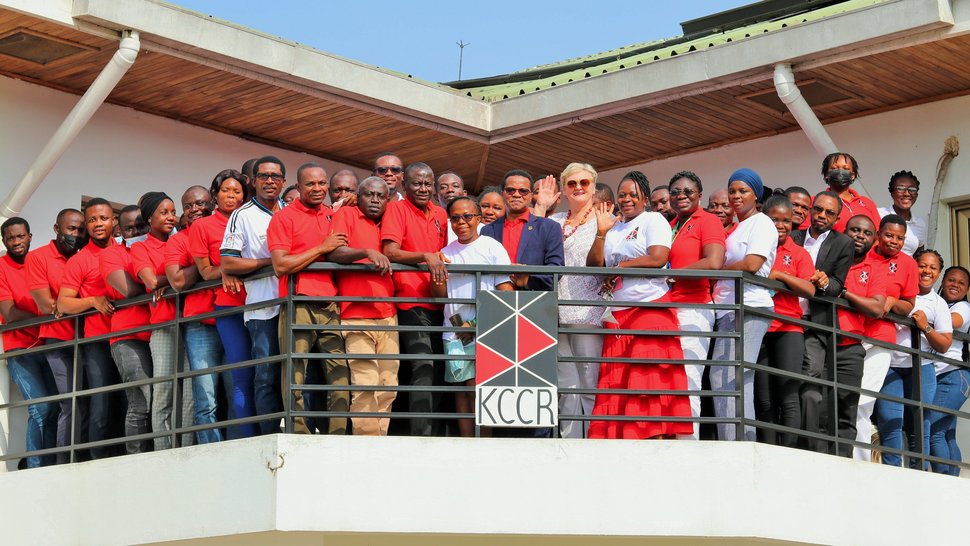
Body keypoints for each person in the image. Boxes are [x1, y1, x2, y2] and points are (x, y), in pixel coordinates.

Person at [585, 177, 691, 440]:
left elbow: (658, 258)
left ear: (645, 198)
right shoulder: (614, 227)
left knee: (649, 381)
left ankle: (655, 439)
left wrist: (620, 268)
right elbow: (594, 267)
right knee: (619, 382)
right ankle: (625, 440)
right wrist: (601, 232)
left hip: (650, 307)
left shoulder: (653, 220)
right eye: (622, 195)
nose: (626, 199)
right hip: (619, 313)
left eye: (633, 194)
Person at [268, 162, 350, 435]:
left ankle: (337, 433)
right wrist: (322, 247)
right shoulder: (283, 217)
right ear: (299, 186)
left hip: (330, 303)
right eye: (311, 184)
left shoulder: (332, 215)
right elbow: (281, 265)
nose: (318, 189)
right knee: (295, 372)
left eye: (322, 183)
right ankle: (298, 433)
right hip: (297, 302)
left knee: (340, 373)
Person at [432, 196, 514, 437]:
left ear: (478, 219)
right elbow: (440, 296)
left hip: (486, 329)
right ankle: (468, 444)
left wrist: (476, 325)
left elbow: (506, 294)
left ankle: (484, 444)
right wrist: (436, 270)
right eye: (455, 218)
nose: (462, 222)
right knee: (462, 390)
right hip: (454, 331)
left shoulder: (492, 247)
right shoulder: (445, 252)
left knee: (479, 389)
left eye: (467, 216)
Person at [381, 162, 449, 436]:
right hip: (411, 300)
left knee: (442, 368)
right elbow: (391, 251)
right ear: (404, 185)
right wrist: (424, 255)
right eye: (417, 184)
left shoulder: (442, 213)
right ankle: (421, 436)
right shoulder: (396, 209)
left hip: (442, 301)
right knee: (422, 365)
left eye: (427, 183)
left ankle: (438, 432)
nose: (423, 189)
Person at [709, 168, 777, 441]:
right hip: (727, 307)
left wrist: (719, 268)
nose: (736, 196)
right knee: (731, 377)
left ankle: (738, 442)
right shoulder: (736, 227)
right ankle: (738, 440)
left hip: (748, 306)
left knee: (729, 376)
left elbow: (752, 263)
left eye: (743, 191)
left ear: (756, 195)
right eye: (733, 191)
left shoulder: (762, 223)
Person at [221, 155, 286, 434]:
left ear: (283, 181)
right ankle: (268, 436)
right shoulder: (242, 215)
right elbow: (229, 263)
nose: (269, 181)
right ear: (253, 181)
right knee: (266, 375)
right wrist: (268, 264)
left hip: (293, 305)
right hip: (262, 309)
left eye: (275, 176)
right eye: (263, 176)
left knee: (297, 371)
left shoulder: (291, 211)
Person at [328, 177, 397, 436]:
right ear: (359, 195)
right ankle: (366, 444)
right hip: (355, 314)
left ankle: (378, 441)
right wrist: (366, 251)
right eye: (369, 195)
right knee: (365, 383)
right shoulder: (347, 214)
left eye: (381, 196)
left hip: (389, 313)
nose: (376, 200)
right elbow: (335, 252)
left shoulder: (390, 219)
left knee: (389, 384)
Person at [191, 169, 256, 438]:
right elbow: (206, 271)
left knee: (263, 375)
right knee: (239, 378)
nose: (231, 196)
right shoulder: (202, 226)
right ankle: (245, 439)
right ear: (215, 195)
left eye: (237, 191)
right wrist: (226, 268)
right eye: (226, 191)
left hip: (262, 303)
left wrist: (233, 266)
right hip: (229, 306)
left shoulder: (251, 219)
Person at [58, 200, 125, 460]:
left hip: (129, 335)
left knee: (129, 397)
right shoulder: (79, 260)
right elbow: (63, 302)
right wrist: (92, 301)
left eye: (104, 218)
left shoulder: (125, 250)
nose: (99, 224)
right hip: (97, 339)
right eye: (93, 220)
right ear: (87, 225)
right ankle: (98, 458)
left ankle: (126, 452)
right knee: (101, 400)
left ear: (113, 222)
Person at [25, 208, 90, 462]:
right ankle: (65, 461)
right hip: (58, 339)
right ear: (57, 229)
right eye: (70, 229)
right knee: (70, 403)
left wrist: (71, 303)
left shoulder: (84, 256)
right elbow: (47, 306)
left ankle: (83, 456)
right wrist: (82, 303)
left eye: (79, 230)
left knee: (91, 401)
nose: (75, 234)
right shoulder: (38, 257)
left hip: (89, 337)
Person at [790, 190, 853, 451]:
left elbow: (838, 284)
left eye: (829, 213)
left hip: (815, 321)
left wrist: (826, 284)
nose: (822, 216)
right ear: (810, 210)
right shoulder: (792, 236)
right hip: (785, 316)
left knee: (811, 377)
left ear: (837, 218)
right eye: (818, 210)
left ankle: (811, 445)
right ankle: (787, 437)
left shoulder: (843, 243)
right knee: (784, 376)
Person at [876, 249, 950, 468]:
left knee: (920, 424)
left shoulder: (938, 303)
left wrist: (926, 327)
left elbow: (944, 344)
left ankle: (919, 473)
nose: (927, 271)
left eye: (933, 268)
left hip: (922, 367)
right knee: (890, 421)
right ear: (911, 266)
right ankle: (892, 472)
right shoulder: (898, 290)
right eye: (922, 265)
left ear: (938, 274)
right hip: (891, 364)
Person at [131, 192, 194, 449]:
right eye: (164, 213)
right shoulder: (140, 247)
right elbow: (151, 282)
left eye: (172, 212)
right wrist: (176, 278)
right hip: (164, 325)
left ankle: (187, 446)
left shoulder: (183, 241)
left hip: (191, 322)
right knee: (163, 392)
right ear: (149, 217)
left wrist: (176, 278)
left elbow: (198, 269)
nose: (171, 217)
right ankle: (163, 450)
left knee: (190, 393)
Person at [854, 214, 919, 460]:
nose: (894, 241)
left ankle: (859, 458)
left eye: (900, 238)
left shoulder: (908, 264)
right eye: (889, 235)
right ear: (879, 234)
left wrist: (891, 302)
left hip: (881, 338)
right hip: (850, 333)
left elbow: (909, 305)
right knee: (845, 397)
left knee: (863, 402)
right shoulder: (863, 252)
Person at [666, 170, 725, 439]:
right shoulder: (671, 225)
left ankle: (689, 443)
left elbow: (714, 263)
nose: (681, 196)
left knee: (688, 378)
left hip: (695, 306)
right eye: (676, 192)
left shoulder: (708, 220)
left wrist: (670, 274)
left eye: (688, 191)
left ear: (699, 195)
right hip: (668, 309)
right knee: (669, 379)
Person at [549, 163, 606, 439]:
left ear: (594, 187)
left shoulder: (605, 221)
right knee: (566, 386)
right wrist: (540, 206)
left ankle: (592, 444)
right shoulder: (554, 221)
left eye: (584, 182)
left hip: (589, 314)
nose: (578, 188)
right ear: (564, 188)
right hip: (556, 314)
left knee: (589, 383)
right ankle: (570, 443)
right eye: (571, 184)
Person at [165, 185, 224, 444]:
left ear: (212, 202)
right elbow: (176, 280)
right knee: (205, 395)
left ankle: (236, 444)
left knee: (237, 389)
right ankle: (211, 449)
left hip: (233, 315)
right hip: (200, 324)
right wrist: (205, 267)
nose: (195, 209)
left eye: (200, 203)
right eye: (188, 206)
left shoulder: (228, 228)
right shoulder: (179, 239)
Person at [755, 196, 814, 448]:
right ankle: (767, 451)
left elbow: (809, 289)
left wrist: (778, 275)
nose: (780, 225)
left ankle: (788, 455)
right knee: (764, 398)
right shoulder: (755, 246)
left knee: (788, 396)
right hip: (759, 325)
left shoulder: (798, 253)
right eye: (774, 219)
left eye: (786, 221)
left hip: (788, 327)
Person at [0, 217, 58, 468]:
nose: (16, 242)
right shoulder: (1, 267)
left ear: (30, 237)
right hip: (20, 349)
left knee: (60, 406)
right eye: (11, 238)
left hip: (49, 343)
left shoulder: (39, 262)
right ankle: (35, 467)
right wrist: (47, 313)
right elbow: (10, 313)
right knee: (41, 408)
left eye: (20, 236)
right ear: (4, 241)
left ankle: (53, 462)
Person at [99, 205, 154, 453]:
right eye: (129, 227)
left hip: (160, 331)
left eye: (140, 225)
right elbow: (129, 290)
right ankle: (136, 456)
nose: (135, 231)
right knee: (141, 400)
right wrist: (158, 283)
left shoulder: (155, 246)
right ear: (119, 230)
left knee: (164, 397)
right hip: (128, 336)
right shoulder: (111, 254)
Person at [831, 215, 888, 457]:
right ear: (844, 230)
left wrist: (844, 293)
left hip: (851, 345)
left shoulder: (874, 268)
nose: (859, 236)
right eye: (855, 230)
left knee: (848, 408)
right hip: (820, 340)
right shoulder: (828, 256)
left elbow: (876, 308)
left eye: (866, 233)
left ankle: (846, 463)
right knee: (818, 403)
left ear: (873, 239)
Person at [481, 169, 564, 292]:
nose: (516, 194)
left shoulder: (549, 227)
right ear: (503, 193)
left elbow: (556, 269)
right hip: (495, 300)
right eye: (510, 190)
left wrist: (527, 279)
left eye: (523, 191)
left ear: (531, 196)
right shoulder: (487, 230)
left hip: (533, 301)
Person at [927, 265, 970, 474]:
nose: (956, 285)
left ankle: (944, 480)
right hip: (943, 375)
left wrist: (924, 316)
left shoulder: (962, 308)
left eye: (962, 283)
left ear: (967, 289)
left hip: (953, 375)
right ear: (943, 281)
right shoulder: (938, 302)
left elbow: (954, 322)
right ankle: (954, 481)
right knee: (946, 432)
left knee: (933, 429)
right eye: (952, 280)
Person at [820, 152, 879, 233]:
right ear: (826, 174)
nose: (840, 172)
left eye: (845, 169)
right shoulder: (817, 202)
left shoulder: (867, 203)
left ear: (852, 175)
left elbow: (879, 233)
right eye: (834, 168)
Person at [877, 170, 926, 256]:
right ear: (892, 193)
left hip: (906, 269)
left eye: (912, 189)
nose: (907, 193)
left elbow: (919, 256)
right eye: (900, 188)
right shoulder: (879, 214)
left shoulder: (920, 223)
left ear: (917, 195)